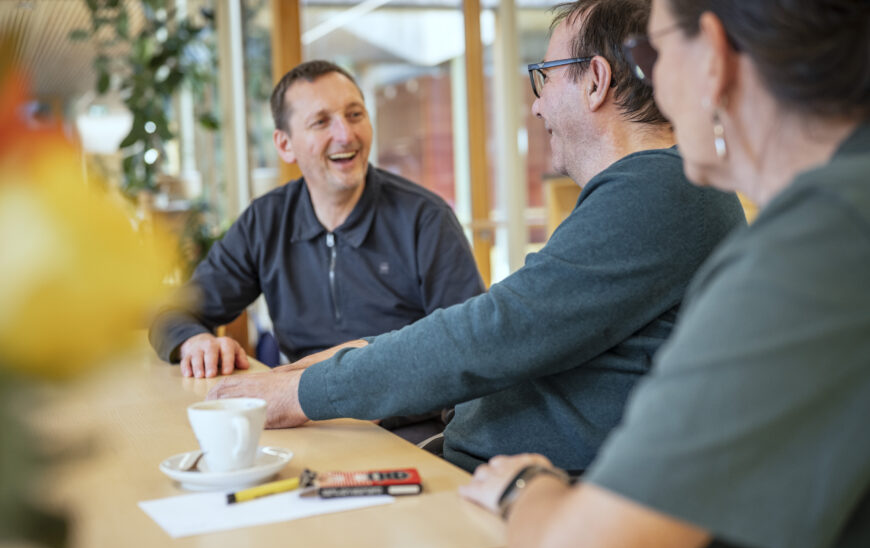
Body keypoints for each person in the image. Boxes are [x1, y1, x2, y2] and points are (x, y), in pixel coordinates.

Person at [205, 0, 746, 474]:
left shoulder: (659, 190)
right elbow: (497, 324)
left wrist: (300, 392)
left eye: (545, 76)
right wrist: (296, 376)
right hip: (478, 461)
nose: (536, 105)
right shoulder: (651, 189)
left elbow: (487, 334)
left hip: (521, 488)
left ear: (596, 81)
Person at [460, 0, 870, 548]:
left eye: (649, 56)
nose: (649, 91)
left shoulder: (817, 247)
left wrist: (526, 485)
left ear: (711, 57)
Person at [150, 60, 484, 440]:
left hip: (407, 430)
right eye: (321, 122)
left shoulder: (426, 218)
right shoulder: (266, 221)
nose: (346, 134)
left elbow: (470, 353)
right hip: (304, 424)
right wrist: (195, 340)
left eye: (355, 114)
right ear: (285, 145)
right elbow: (170, 312)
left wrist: (375, 402)